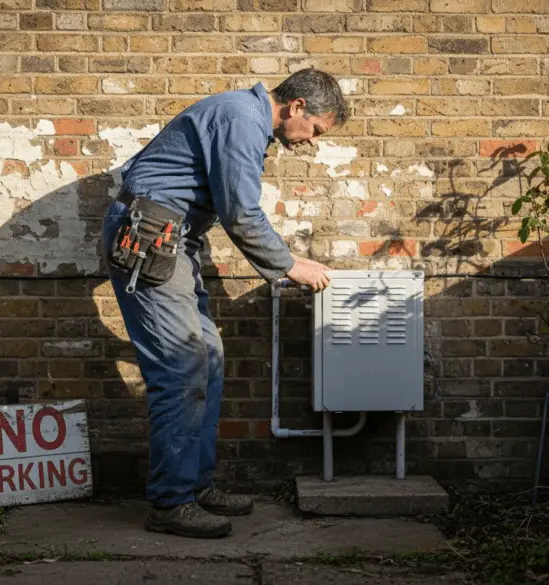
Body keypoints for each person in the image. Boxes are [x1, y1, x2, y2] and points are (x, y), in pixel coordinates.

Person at [100, 68, 350, 539]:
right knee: (183, 366)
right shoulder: (242, 118)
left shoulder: (245, 116)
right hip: (149, 236)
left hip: (169, 240)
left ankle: (195, 486)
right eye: (316, 130)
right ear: (297, 107)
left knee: (209, 358)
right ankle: (171, 502)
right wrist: (290, 266)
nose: (311, 141)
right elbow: (241, 212)